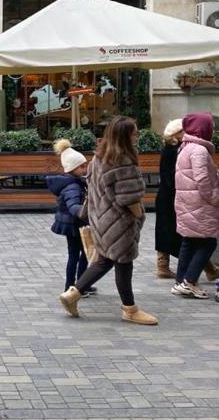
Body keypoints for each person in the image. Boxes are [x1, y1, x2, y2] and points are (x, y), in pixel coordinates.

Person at [59, 116, 157, 325]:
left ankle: (73, 293)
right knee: (123, 262)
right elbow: (128, 197)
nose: (137, 136)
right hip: (120, 221)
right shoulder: (123, 161)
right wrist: (139, 214)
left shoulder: (99, 158)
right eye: (134, 133)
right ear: (124, 136)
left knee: (104, 260)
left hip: (102, 219)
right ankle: (130, 309)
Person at [172, 112, 219, 299]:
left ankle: (181, 281)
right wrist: (215, 197)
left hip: (188, 203)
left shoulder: (186, 147)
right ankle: (189, 281)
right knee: (208, 243)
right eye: (211, 126)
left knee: (189, 242)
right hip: (200, 205)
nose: (213, 130)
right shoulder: (199, 150)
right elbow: (202, 180)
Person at [46, 139, 92, 294]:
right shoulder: (72, 186)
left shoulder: (75, 182)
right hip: (75, 224)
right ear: (72, 168)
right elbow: (73, 207)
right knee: (81, 254)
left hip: (71, 224)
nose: (86, 168)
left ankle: (75, 284)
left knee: (77, 254)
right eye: (82, 166)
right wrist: (86, 211)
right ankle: (78, 286)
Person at [154, 119, 184, 280]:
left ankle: (162, 265)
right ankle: (207, 267)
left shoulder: (169, 149)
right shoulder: (174, 151)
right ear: (176, 133)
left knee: (166, 229)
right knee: (174, 230)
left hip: (165, 195)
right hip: (171, 196)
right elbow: (173, 176)